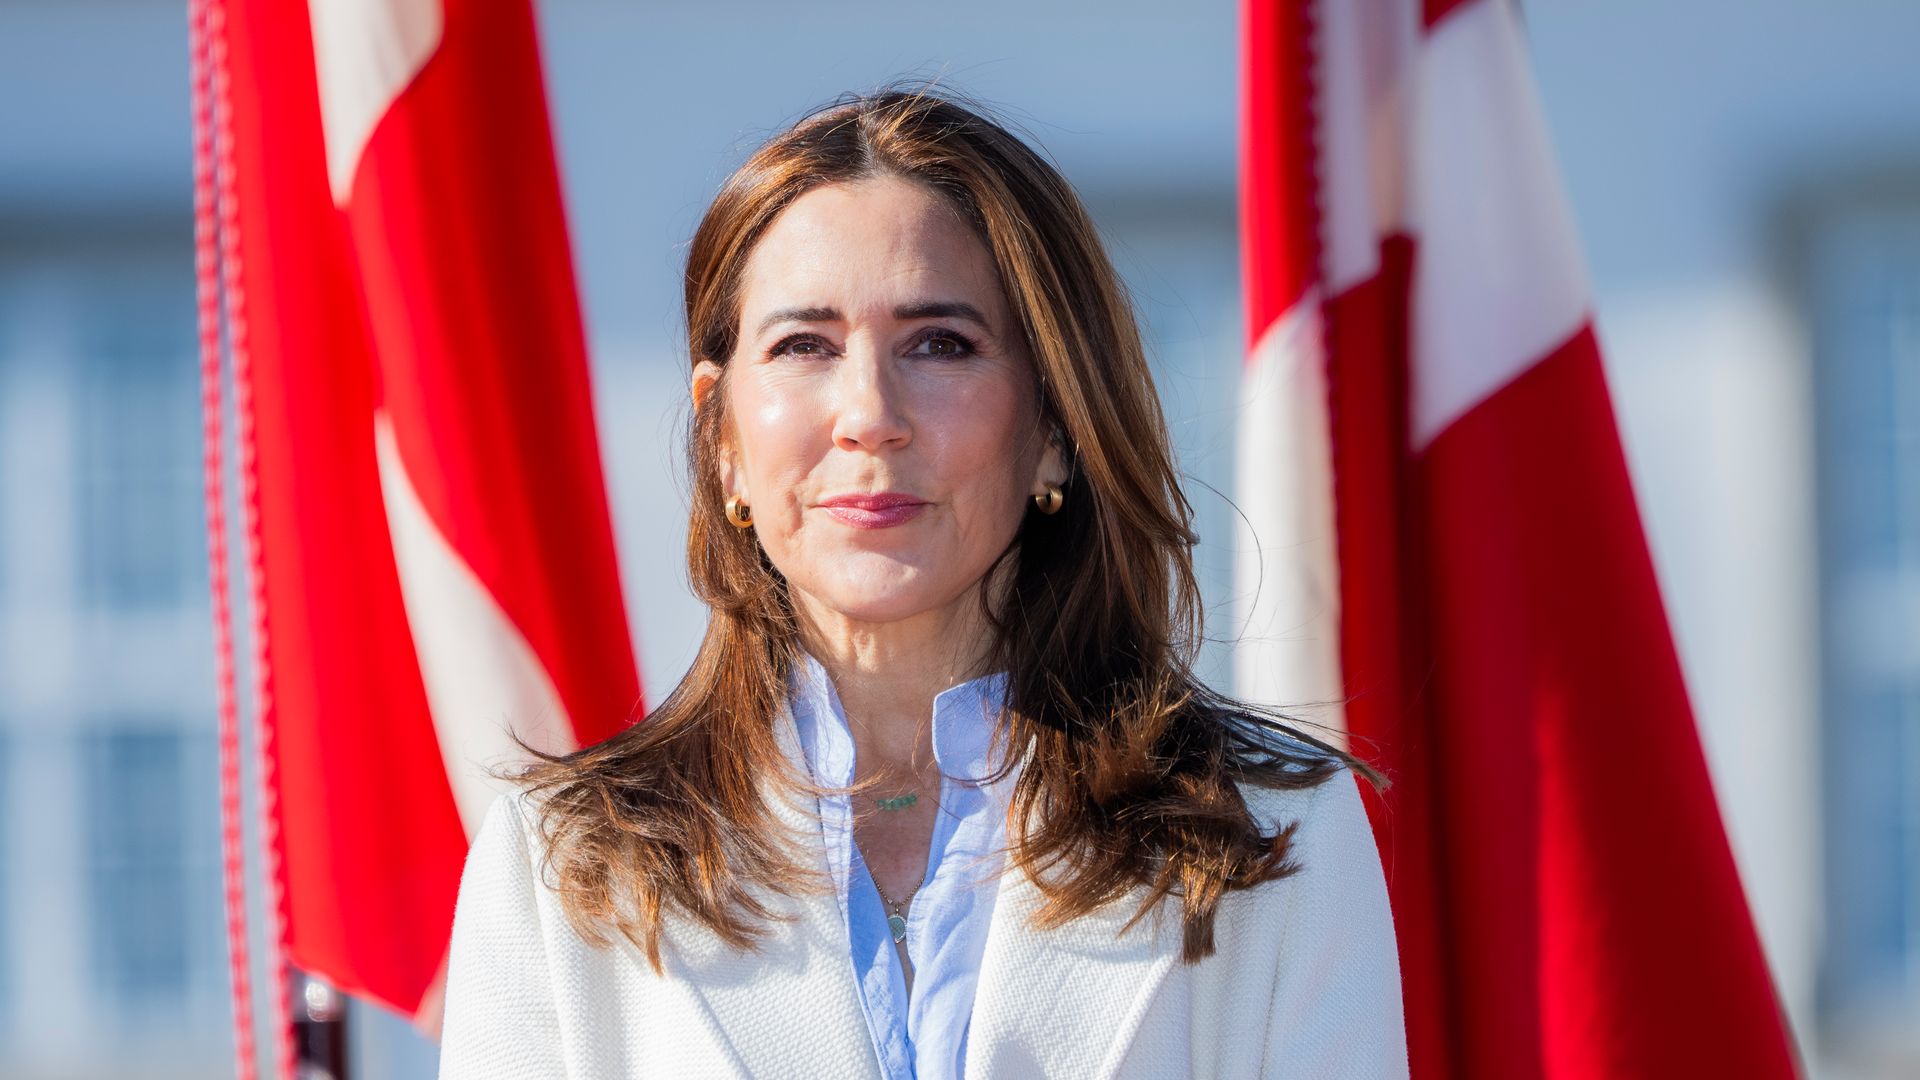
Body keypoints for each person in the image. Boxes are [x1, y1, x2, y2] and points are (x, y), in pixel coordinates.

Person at [436, 85, 1408, 1079]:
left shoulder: (1276, 837)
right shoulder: (559, 866)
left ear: (1055, 433)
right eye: (802, 346)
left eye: (940, 344)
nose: (869, 413)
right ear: (722, 437)